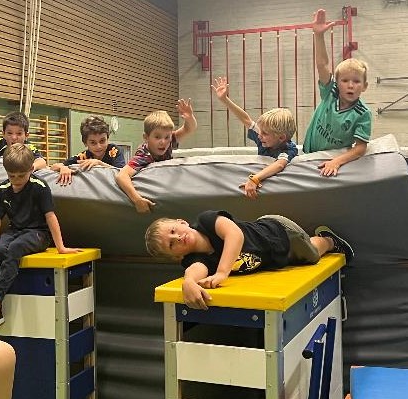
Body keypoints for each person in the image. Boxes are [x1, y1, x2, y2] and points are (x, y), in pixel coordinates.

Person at [144, 210, 354, 310]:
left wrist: (222, 272)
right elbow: (195, 270)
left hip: (279, 232)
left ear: (182, 222)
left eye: (173, 230)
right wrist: (189, 282)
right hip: (272, 258)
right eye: (171, 244)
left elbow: (235, 235)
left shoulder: (206, 221)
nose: (177, 238)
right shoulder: (196, 258)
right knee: (298, 261)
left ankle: (328, 240)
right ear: (177, 256)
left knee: (312, 254)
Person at [0, 143, 79, 332]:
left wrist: (61, 247)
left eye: (21, 176)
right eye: (11, 176)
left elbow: (50, 216)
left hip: (39, 233)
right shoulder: (2, 189)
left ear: (31, 169)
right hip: (15, 231)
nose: (16, 180)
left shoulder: (39, 187)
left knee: (15, 248)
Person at [303, 9, 371, 176]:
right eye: (345, 80)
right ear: (337, 83)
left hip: (331, 160)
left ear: (364, 86)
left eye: (356, 81)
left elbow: (360, 147)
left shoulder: (363, 113)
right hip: (308, 154)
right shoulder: (330, 92)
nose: (350, 86)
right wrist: (319, 36)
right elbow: (322, 65)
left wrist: (337, 161)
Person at [211, 76, 298, 199]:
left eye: (265, 133)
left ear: (281, 138)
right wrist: (225, 99)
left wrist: (255, 178)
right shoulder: (263, 136)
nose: (259, 135)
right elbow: (246, 119)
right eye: (260, 131)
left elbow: (279, 165)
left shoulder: (289, 149)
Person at [115, 100, 196, 213]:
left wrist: (189, 117)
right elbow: (121, 176)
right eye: (157, 137)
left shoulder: (170, 141)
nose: (163, 142)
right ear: (146, 137)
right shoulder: (144, 155)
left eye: (167, 137)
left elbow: (188, 129)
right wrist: (137, 200)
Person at [50, 115, 125, 185]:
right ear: (85, 143)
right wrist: (63, 168)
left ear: (107, 139)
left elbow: (122, 172)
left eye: (102, 141)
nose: (98, 146)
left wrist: (99, 163)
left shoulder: (114, 151)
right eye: (93, 143)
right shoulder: (83, 156)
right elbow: (53, 167)